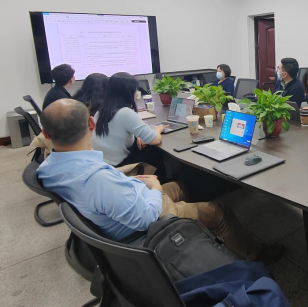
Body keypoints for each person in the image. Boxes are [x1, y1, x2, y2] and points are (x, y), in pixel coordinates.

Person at [37, 99, 281, 263]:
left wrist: (139, 183)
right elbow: (146, 217)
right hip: (147, 222)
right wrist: (154, 188)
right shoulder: (96, 179)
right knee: (219, 212)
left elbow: (107, 190)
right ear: (91, 123)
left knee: (184, 186)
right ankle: (255, 254)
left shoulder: (48, 168)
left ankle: (200, 217)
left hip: (126, 201)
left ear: (46, 134)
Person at [92, 72, 169, 182]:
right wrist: (157, 129)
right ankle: (161, 182)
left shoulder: (101, 111)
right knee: (153, 152)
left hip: (102, 164)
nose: (136, 92)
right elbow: (155, 139)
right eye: (135, 89)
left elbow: (117, 132)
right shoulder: (125, 113)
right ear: (128, 92)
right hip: (118, 167)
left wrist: (138, 136)